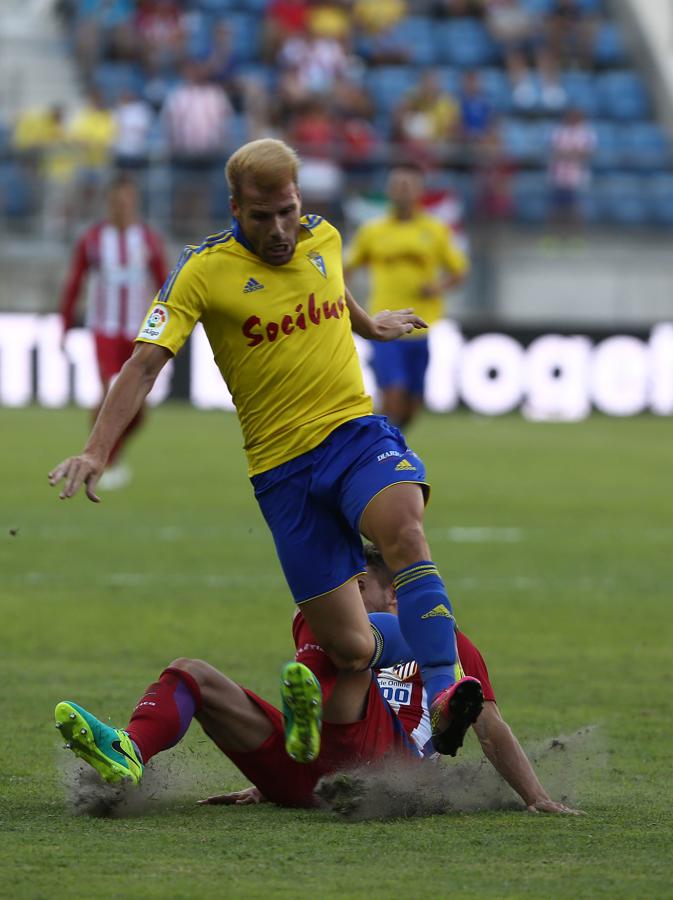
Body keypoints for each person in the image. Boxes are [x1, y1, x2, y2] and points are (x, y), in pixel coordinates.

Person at [49, 137, 482, 760]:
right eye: (261, 217)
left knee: (405, 532)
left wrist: (368, 323)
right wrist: (96, 450)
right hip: (282, 473)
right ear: (235, 207)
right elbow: (144, 365)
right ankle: (402, 667)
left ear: (298, 198)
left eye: (287, 211)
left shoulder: (323, 237)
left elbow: (330, 284)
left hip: (353, 435)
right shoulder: (203, 269)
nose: (279, 230)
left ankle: (444, 695)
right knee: (352, 649)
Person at [54, 545, 577, 814]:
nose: (346, 596)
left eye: (358, 587)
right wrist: (267, 781)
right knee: (191, 674)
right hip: (314, 772)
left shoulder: (451, 645)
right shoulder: (340, 629)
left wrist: (535, 797)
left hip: (385, 768)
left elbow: (490, 726)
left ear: (394, 593)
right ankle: (131, 750)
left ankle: (311, 722)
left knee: (355, 653)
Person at [58, 174, 168, 489]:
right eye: (117, 201)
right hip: (103, 329)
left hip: (139, 332)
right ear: (109, 202)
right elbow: (74, 284)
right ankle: (102, 458)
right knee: (109, 394)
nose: (122, 206)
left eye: (127, 200)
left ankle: (112, 454)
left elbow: (166, 285)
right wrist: (64, 327)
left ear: (134, 202)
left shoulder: (148, 240)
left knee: (139, 409)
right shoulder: (92, 239)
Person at [345, 163, 469, 430]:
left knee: (412, 404)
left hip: (420, 327)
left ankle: (389, 443)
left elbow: (459, 271)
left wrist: (436, 288)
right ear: (389, 190)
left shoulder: (436, 230)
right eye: (397, 184)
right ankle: (383, 452)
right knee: (393, 392)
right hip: (384, 325)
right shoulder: (373, 231)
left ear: (419, 190)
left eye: (408, 185)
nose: (402, 190)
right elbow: (346, 269)